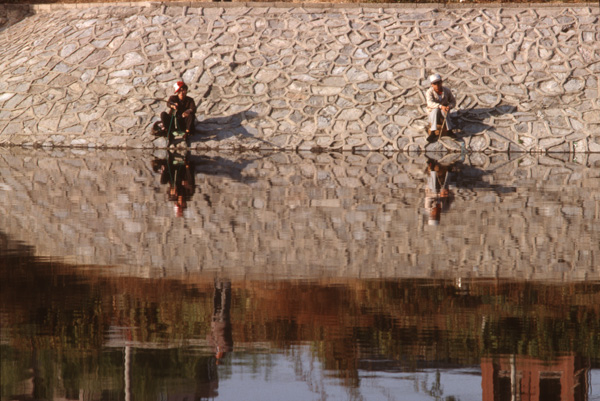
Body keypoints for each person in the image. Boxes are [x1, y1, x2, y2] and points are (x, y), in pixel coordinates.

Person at [160, 81, 197, 145]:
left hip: (183, 123)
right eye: (179, 91)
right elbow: (169, 103)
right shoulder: (173, 98)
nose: (181, 93)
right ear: (177, 92)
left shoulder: (190, 100)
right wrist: (173, 105)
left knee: (191, 116)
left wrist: (188, 111)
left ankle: (186, 133)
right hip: (173, 121)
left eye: (183, 90)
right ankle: (168, 132)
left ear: (186, 90)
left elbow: (193, 108)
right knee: (163, 114)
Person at [425, 73, 457, 143]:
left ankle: (449, 130)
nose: (437, 85)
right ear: (432, 84)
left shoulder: (446, 90)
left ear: (441, 82)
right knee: (435, 110)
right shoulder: (429, 92)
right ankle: (433, 132)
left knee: (444, 111)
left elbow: (453, 102)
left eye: (438, 83)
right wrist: (440, 106)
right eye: (435, 84)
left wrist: (449, 107)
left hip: (443, 112)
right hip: (433, 112)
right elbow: (430, 103)